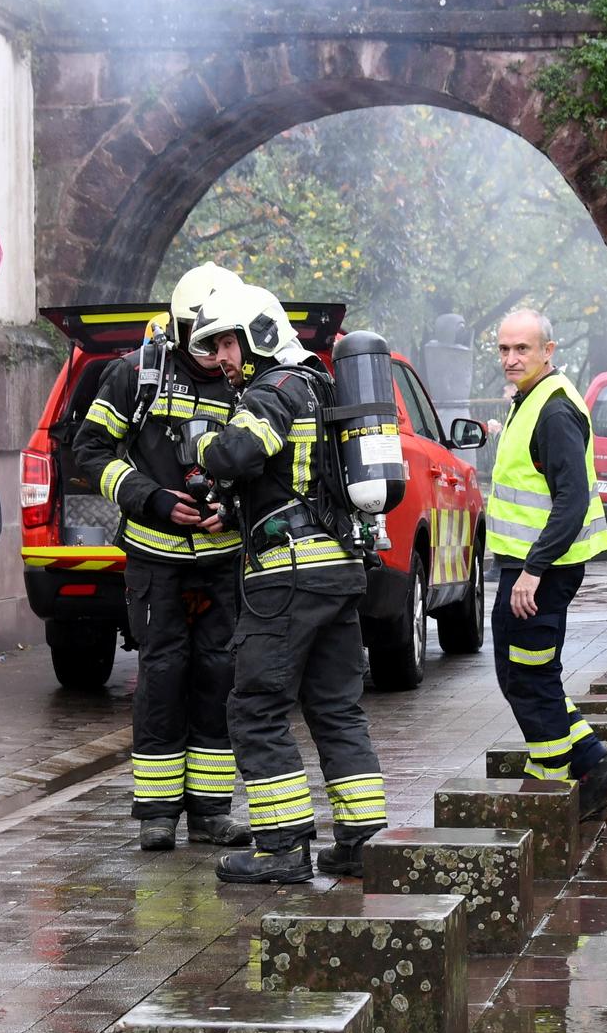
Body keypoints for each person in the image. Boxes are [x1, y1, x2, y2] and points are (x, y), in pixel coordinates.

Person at [191, 283, 388, 883]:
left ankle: (280, 847)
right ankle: (362, 841)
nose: (220, 357)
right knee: (335, 708)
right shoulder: (320, 386)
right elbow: (299, 482)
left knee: (256, 707)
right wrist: (238, 511)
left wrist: (201, 443)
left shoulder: (271, 389)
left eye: (226, 341)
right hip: (336, 570)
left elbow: (241, 453)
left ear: (259, 333)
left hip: (287, 579)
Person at [72, 263, 252, 850]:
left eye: (225, 339)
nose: (216, 353)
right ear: (179, 329)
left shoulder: (246, 380)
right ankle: (156, 812)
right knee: (163, 675)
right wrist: (149, 497)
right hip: (156, 559)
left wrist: (234, 508)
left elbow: (265, 464)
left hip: (223, 557)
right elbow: (91, 450)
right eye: (205, 339)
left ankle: (210, 810)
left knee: (218, 675)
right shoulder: (135, 376)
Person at [485, 308, 607, 822]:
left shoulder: (553, 409)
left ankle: (550, 786)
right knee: (519, 673)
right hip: (526, 567)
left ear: (548, 350)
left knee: (530, 677)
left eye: (522, 349)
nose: (511, 358)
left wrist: (532, 571)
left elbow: (570, 501)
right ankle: (595, 766)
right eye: (504, 349)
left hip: (541, 571)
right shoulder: (528, 401)